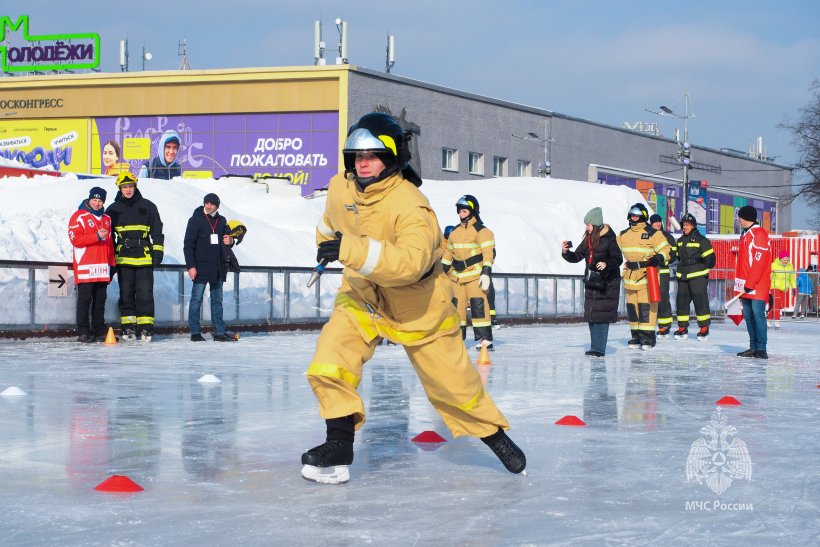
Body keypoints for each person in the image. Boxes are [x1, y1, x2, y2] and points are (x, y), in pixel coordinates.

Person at [301, 112, 525, 484]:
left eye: (371, 156)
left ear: (391, 159)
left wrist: (351, 250)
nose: (363, 164)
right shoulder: (341, 188)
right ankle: (339, 442)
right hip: (363, 294)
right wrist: (328, 245)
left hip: (417, 304)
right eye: (357, 157)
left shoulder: (411, 205)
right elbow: (330, 225)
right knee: (329, 360)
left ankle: (494, 436)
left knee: (453, 385)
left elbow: (410, 263)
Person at [105, 172, 165, 341]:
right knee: (126, 294)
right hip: (123, 259)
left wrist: (158, 252)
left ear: (135, 186)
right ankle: (128, 328)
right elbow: (110, 238)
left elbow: (157, 232)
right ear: (120, 189)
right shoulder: (113, 209)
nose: (128, 190)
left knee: (145, 294)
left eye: (130, 186)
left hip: (145, 259)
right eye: (124, 187)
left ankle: (146, 328)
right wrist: (111, 259)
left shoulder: (148, 206)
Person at [562, 207, 623, 357]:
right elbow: (576, 256)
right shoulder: (588, 240)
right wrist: (566, 252)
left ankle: (599, 349)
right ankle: (595, 347)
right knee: (592, 316)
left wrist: (606, 263)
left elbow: (618, 258)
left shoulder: (610, 239)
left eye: (588, 225)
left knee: (602, 317)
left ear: (595, 224)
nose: (586, 227)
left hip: (607, 284)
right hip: (592, 282)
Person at [441, 195, 496, 349]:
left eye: (464, 211)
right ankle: (457, 338)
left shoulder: (483, 231)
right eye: (459, 211)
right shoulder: (455, 232)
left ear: (473, 211)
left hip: (475, 277)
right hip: (457, 278)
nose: (461, 214)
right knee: (456, 309)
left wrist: (486, 273)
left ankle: (485, 339)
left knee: (478, 306)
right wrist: (441, 272)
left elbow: (488, 254)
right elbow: (447, 255)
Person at [615, 203, 672, 350]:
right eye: (632, 214)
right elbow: (613, 251)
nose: (634, 217)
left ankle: (647, 337)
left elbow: (667, 250)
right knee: (632, 308)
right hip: (629, 277)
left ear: (643, 216)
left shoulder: (653, 233)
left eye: (637, 214)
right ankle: (636, 336)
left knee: (646, 307)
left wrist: (658, 258)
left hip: (647, 277)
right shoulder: (622, 235)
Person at [184, 193, 236, 342]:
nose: (208, 206)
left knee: (217, 301)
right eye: (206, 203)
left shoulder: (222, 221)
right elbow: (188, 245)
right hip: (200, 267)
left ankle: (219, 332)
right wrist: (191, 266)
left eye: (212, 204)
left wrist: (230, 240)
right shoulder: (195, 220)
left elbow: (228, 241)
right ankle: (195, 332)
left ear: (217, 206)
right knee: (196, 300)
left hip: (217, 267)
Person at [68, 187, 115, 342]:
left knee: (100, 300)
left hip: (102, 268)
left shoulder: (107, 218)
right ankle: (83, 331)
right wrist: (95, 236)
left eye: (100, 201)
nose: (96, 203)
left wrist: (111, 263)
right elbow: (76, 240)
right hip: (85, 267)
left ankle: (99, 328)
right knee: (84, 300)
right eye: (94, 200)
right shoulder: (78, 216)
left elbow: (109, 244)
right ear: (89, 200)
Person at [734, 205, 772, 359]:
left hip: (757, 284)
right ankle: (753, 346)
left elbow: (759, 261)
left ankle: (761, 348)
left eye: (740, 217)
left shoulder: (759, 233)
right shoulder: (745, 234)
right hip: (746, 284)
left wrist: (750, 282)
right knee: (748, 316)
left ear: (746, 218)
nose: (738, 220)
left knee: (758, 315)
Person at [672, 213, 716, 340]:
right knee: (681, 302)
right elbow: (677, 258)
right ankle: (682, 327)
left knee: (700, 301)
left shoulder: (702, 240)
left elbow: (711, 261)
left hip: (698, 276)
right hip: (683, 276)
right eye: (683, 225)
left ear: (693, 226)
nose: (684, 227)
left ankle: (704, 327)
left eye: (687, 225)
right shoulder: (680, 241)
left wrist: (702, 267)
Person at [648, 214, 678, 338]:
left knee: (662, 298)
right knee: (647, 298)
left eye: (659, 222)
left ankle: (664, 325)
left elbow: (673, 254)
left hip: (662, 271)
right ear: (651, 224)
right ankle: (649, 325)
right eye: (655, 222)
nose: (658, 224)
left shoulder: (668, 237)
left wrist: (663, 261)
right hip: (648, 271)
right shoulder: (646, 235)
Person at [769, 250, 796, 328]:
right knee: (776, 303)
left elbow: (792, 277)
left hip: (784, 287)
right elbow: (768, 276)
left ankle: (769, 319)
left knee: (776, 304)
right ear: (780, 259)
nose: (786, 261)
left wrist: (794, 287)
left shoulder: (790, 266)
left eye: (787, 260)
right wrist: (770, 275)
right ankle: (777, 321)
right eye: (785, 260)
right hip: (775, 286)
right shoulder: (774, 265)